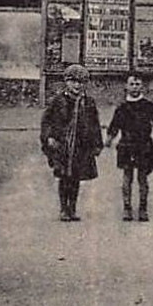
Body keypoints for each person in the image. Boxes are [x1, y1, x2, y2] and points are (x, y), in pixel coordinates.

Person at [40, 64, 102, 222]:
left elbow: (95, 124)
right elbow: (47, 121)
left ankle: (72, 208)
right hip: (62, 145)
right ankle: (63, 208)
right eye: (73, 81)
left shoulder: (88, 102)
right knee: (64, 177)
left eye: (81, 82)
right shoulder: (57, 101)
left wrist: (97, 144)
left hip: (81, 146)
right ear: (66, 82)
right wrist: (49, 137)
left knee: (76, 178)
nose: (77, 85)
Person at [105, 75, 153, 221]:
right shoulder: (122, 107)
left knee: (143, 178)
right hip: (126, 145)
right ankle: (127, 208)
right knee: (127, 177)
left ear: (142, 87)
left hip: (144, 146)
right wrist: (109, 139)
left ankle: (143, 209)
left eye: (138, 84)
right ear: (126, 86)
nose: (135, 87)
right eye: (132, 84)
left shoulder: (148, 106)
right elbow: (114, 126)